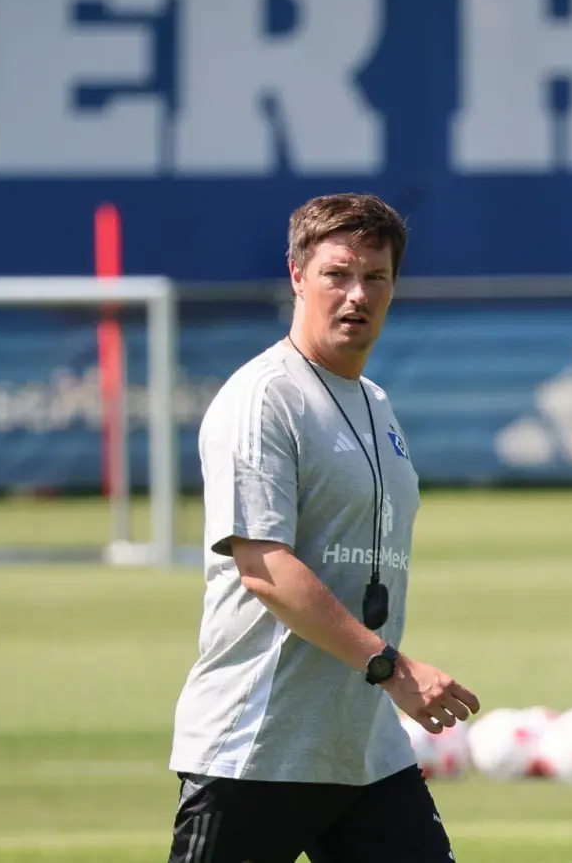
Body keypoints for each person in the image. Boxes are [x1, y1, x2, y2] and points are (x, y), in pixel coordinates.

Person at [167, 193, 480, 863]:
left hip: (361, 750)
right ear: (298, 276)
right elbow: (264, 567)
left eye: (376, 276)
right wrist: (388, 665)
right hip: (258, 746)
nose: (356, 294)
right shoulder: (264, 399)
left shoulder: (376, 403)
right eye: (338, 273)